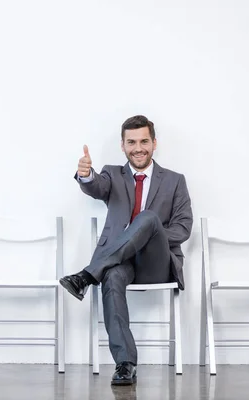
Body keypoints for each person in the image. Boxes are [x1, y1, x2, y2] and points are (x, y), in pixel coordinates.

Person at [59, 115, 193, 386]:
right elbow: (97, 187)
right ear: (123, 146)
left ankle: (86, 276)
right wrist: (86, 176)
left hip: (157, 263)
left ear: (154, 143)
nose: (138, 147)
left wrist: (147, 233)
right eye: (131, 142)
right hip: (121, 264)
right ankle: (125, 364)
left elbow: (183, 228)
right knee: (111, 277)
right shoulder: (112, 174)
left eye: (144, 141)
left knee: (148, 218)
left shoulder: (175, 181)